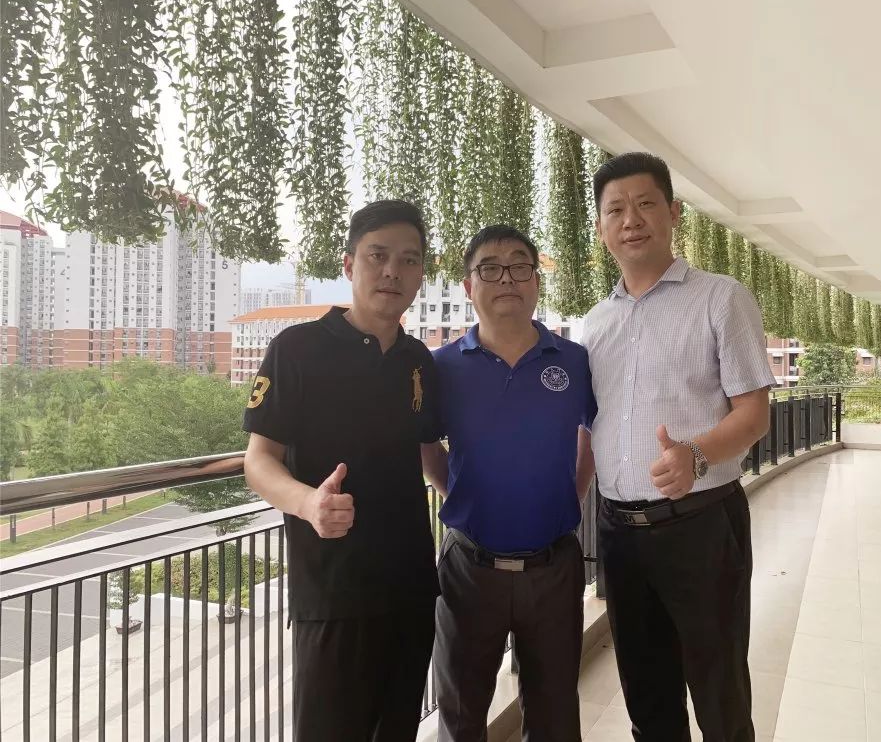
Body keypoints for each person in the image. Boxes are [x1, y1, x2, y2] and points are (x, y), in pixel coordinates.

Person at [581, 152, 774, 742]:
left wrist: (696, 455)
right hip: (619, 533)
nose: (631, 219)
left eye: (645, 204)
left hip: (700, 525)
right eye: (616, 209)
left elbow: (754, 413)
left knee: (720, 698)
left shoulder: (721, 297)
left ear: (673, 212)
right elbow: (590, 427)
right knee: (648, 701)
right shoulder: (594, 323)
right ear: (601, 227)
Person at [243, 200, 440, 742]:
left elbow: (429, 453)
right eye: (378, 256)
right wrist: (308, 503)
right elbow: (258, 461)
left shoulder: (418, 361)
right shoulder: (296, 349)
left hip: (411, 590)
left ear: (421, 274)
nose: (392, 271)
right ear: (350, 264)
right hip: (333, 593)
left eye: (409, 260)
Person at [421, 225, 597, 742]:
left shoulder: (574, 360)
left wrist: (572, 492)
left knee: (555, 715)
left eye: (521, 266)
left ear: (536, 281)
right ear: (468, 286)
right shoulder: (441, 366)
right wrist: (465, 499)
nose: (507, 279)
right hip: (469, 569)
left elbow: (592, 433)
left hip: (554, 567)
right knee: (460, 716)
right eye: (490, 268)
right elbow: (428, 449)